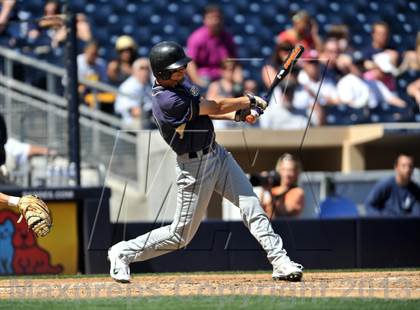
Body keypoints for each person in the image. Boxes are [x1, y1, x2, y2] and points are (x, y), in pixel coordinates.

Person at [107, 41, 303, 283]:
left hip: (217, 154)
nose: (182, 70)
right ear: (161, 74)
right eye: (176, 69)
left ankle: (280, 261)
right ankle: (122, 252)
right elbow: (215, 105)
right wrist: (247, 100)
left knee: (251, 205)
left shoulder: (180, 84)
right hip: (194, 168)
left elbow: (208, 108)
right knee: (180, 235)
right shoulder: (165, 100)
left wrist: (239, 115)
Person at [186, 5, 238, 89]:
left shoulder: (227, 37)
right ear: (204, 20)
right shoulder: (197, 37)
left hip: (223, 76)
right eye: (211, 18)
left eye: (218, 17)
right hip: (204, 77)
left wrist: (236, 80)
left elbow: (232, 61)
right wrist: (198, 81)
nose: (215, 21)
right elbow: (190, 63)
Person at [114, 58, 155, 129]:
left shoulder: (147, 85)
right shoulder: (129, 86)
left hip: (146, 121)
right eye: (142, 68)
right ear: (134, 71)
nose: (145, 71)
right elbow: (135, 112)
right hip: (129, 124)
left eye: (147, 68)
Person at [260, 154, 305, 218]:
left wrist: (269, 192)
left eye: (290, 170)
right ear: (278, 171)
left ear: (296, 173)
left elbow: (283, 213)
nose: (287, 174)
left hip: (286, 227)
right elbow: (258, 210)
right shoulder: (273, 189)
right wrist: (263, 186)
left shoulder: (297, 192)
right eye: (284, 169)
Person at [206, 59, 244, 129]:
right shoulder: (215, 86)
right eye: (229, 69)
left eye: (233, 69)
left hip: (235, 116)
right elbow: (208, 105)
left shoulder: (238, 86)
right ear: (222, 70)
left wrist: (239, 84)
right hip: (221, 117)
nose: (231, 72)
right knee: (219, 123)